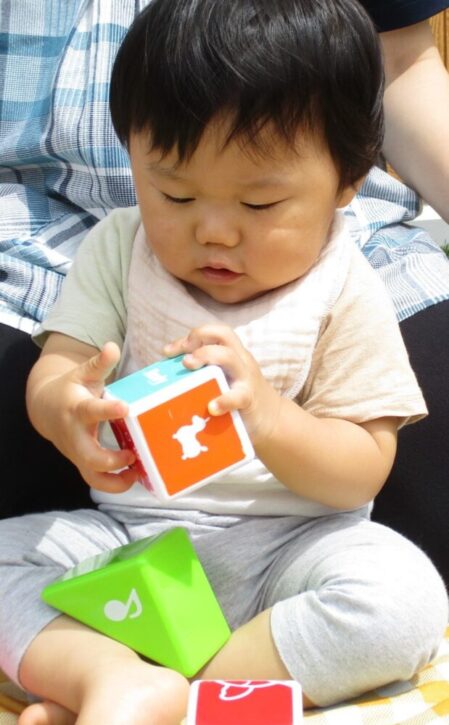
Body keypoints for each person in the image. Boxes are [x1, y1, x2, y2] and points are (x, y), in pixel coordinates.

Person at [0, 2, 447, 723]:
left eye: (259, 203)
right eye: (174, 193)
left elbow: (362, 468)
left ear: (347, 181)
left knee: (404, 599)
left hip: (292, 553)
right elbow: (59, 368)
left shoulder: (344, 280)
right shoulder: (120, 248)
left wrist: (268, 419)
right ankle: (107, 678)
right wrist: (67, 409)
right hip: (131, 548)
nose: (213, 231)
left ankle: (174, 686)